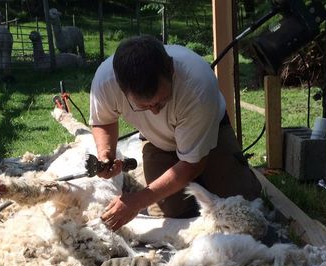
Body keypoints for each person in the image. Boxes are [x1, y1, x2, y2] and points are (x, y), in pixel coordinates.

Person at [89, 35, 261, 231]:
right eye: (143, 106)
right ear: (120, 87)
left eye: (162, 101)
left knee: (241, 205)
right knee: (169, 212)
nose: (155, 111)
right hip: (157, 141)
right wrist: (106, 153)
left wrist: (138, 200)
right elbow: (104, 120)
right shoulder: (105, 82)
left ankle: (236, 172)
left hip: (210, 136)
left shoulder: (197, 85)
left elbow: (192, 164)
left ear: (170, 68)